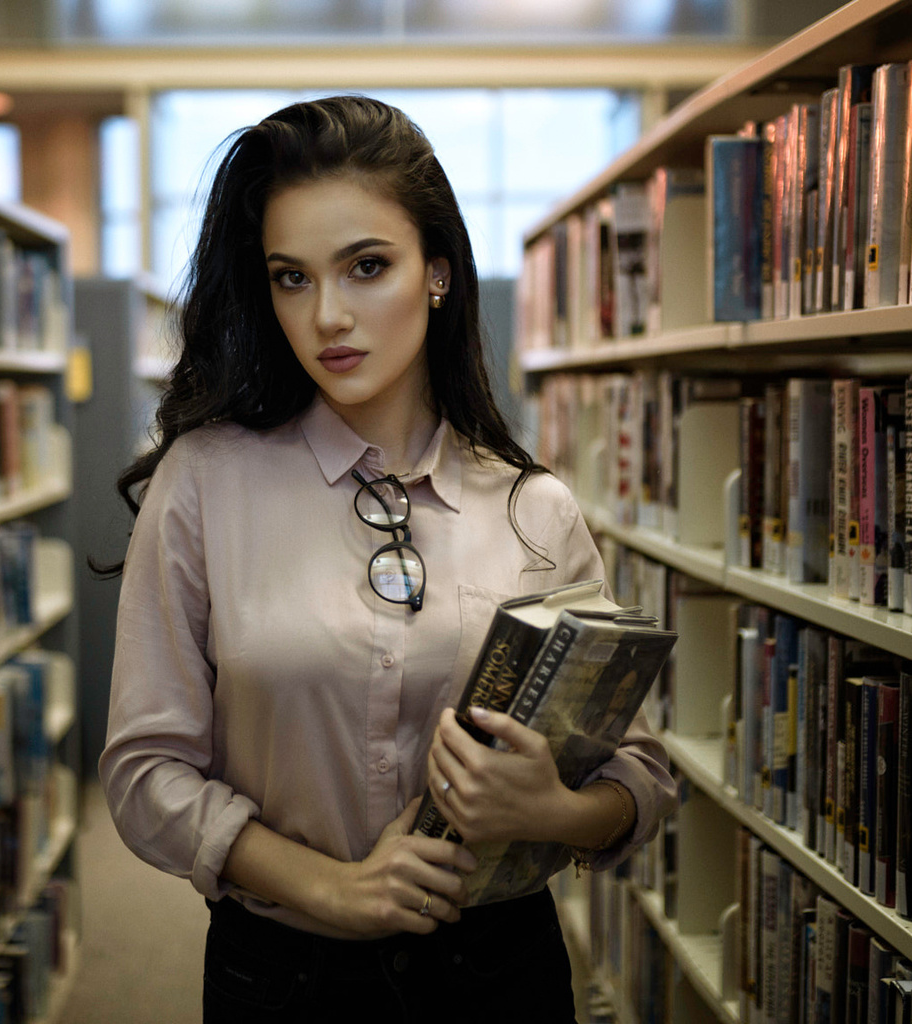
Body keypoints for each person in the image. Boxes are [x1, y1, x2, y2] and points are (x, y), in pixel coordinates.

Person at [99, 94, 676, 1023]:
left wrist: (554, 813)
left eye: (367, 266)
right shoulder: (205, 483)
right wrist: (331, 888)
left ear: (438, 273)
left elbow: (636, 775)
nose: (328, 315)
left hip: (502, 975)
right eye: (292, 277)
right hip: (284, 976)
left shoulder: (536, 510)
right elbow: (144, 772)